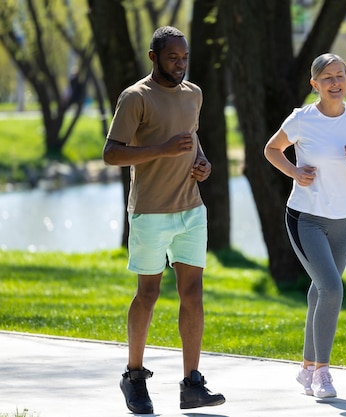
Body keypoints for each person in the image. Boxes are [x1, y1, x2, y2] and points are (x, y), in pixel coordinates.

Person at [102, 26, 225, 414]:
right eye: (173, 57)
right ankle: (134, 377)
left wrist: (201, 161)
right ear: (154, 57)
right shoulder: (135, 97)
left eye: (184, 57)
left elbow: (191, 136)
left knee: (193, 294)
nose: (181, 64)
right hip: (151, 211)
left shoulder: (194, 94)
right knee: (149, 294)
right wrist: (162, 150)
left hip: (191, 208)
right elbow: (111, 154)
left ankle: (192, 384)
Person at [264, 53, 346, 398]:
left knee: (320, 290)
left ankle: (305, 369)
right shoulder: (302, 119)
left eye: (340, 76)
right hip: (306, 217)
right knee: (332, 289)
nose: (336, 83)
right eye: (327, 78)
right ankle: (322, 374)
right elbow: (272, 149)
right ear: (315, 85)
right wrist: (294, 172)